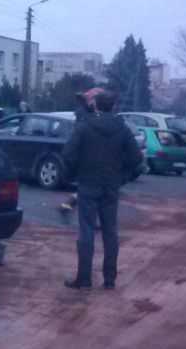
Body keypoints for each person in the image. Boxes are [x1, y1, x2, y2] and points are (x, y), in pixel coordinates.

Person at [60, 90, 142, 290]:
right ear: (112, 107)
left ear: (95, 105)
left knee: (86, 232)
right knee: (110, 232)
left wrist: (73, 175)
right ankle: (109, 279)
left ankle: (85, 279)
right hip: (111, 186)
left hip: (88, 184)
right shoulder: (122, 129)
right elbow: (137, 159)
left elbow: (68, 154)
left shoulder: (84, 127)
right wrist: (122, 177)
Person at [59, 87, 105, 213]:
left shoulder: (82, 112)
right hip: (90, 157)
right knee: (91, 187)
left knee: (88, 186)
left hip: (86, 157)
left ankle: (72, 203)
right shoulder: (86, 115)